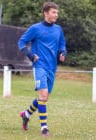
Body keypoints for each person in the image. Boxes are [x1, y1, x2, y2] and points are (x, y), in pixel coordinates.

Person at [18, 2, 67, 137]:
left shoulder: (58, 29)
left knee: (44, 98)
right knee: (43, 95)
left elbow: (62, 44)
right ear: (45, 13)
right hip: (39, 65)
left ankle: (26, 114)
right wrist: (31, 55)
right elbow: (21, 42)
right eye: (53, 12)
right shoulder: (35, 28)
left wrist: (63, 53)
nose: (56, 15)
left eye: (57, 13)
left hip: (52, 67)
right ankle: (44, 128)